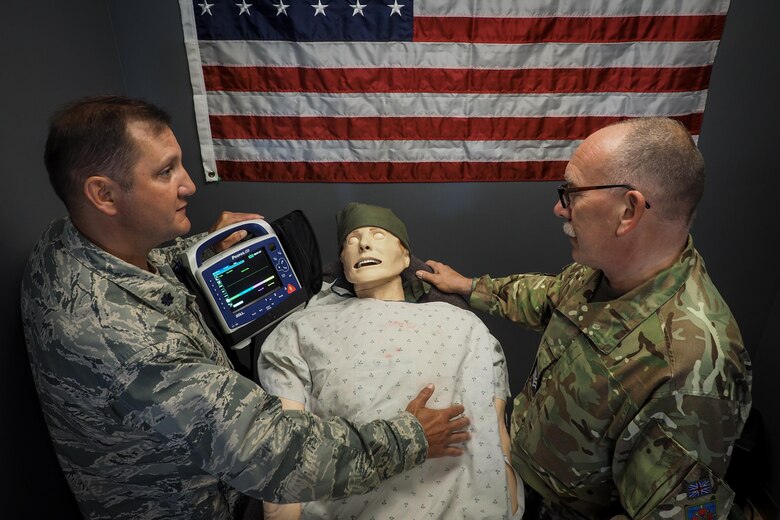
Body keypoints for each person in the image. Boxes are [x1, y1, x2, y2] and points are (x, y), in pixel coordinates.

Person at [20, 96, 471, 520]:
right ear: (104, 195)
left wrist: (198, 249)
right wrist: (410, 436)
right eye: (165, 172)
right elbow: (269, 453)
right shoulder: (119, 340)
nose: (190, 185)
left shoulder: (69, 239)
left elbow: (134, 264)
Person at [415, 117, 752, 520]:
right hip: (516, 469)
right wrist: (470, 286)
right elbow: (548, 298)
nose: (559, 207)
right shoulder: (602, 268)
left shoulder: (689, 369)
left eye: (571, 192)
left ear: (629, 210)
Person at [258, 202, 524, 519]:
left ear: (406, 257)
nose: (364, 244)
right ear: (342, 262)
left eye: (379, 235)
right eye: (351, 241)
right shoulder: (302, 329)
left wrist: (507, 505)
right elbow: (283, 448)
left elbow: (495, 437)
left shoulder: (465, 327)